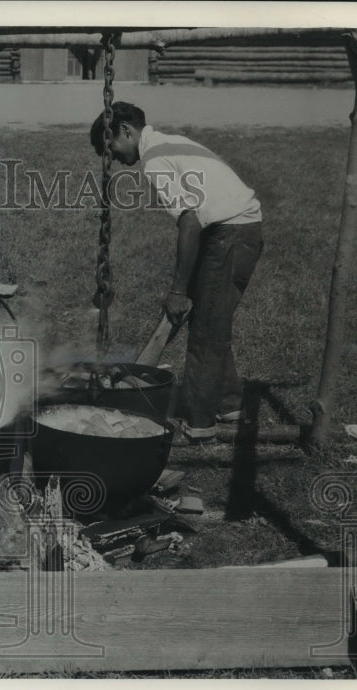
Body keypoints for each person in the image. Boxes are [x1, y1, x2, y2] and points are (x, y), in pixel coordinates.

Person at [90, 101, 263, 441]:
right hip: (238, 230)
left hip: (230, 234)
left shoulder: (154, 160)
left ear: (125, 130)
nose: (113, 158)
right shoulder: (170, 142)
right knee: (210, 320)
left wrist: (178, 290)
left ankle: (199, 425)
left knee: (206, 334)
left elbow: (189, 223)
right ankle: (229, 403)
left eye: (109, 147)